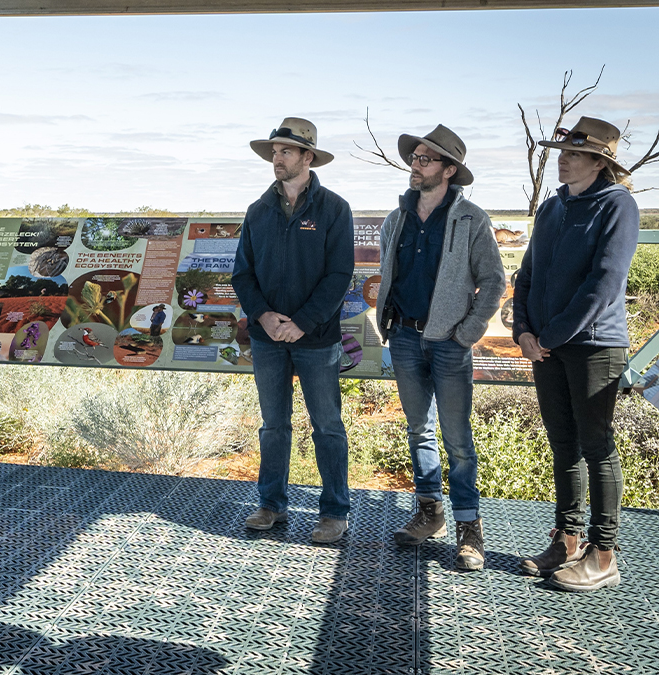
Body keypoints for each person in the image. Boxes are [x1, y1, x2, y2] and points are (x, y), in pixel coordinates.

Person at [513, 116, 639, 592]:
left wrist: (550, 336)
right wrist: (524, 331)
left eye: (573, 154)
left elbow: (603, 285)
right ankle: (566, 539)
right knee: (562, 443)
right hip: (545, 346)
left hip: (593, 345)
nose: (561, 159)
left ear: (598, 162)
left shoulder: (617, 205)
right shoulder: (552, 207)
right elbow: (526, 275)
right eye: (561, 152)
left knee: (597, 446)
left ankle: (603, 554)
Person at [374, 125, 505, 571]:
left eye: (427, 159)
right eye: (414, 158)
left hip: (450, 344)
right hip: (407, 338)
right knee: (419, 431)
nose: (416, 164)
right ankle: (430, 514)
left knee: (458, 440)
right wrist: (388, 325)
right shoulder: (397, 218)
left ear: (450, 170)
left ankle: (470, 527)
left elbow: (494, 281)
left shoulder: (472, 219)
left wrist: (467, 332)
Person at [232, 117, 355, 544]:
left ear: (308, 157)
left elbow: (339, 275)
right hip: (268, 338)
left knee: (327, 425)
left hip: (316, 339)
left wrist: (302, 323)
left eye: (285, 151)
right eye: (273, 151)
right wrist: (264, 317)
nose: (276, 158)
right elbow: (242, 275)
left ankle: (335, 512)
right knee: (273, 425)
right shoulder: (258, 211)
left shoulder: (335, 209)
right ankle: (271, 505)